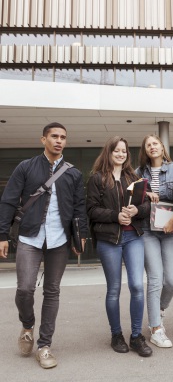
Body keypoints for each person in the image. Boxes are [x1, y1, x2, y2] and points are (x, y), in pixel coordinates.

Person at [0, 122, 87, 369]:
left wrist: (80, 236)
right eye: (54, 136)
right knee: (25, 289)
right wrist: (2, 234)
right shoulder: (26, 167)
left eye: (63, 137)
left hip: (59, 240)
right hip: (30, 236)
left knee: (52, 291)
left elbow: (80, 207)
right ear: (43, 140)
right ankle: (27, 324)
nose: (59, 140)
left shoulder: (73, 173)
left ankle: (44, 345)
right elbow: (8, 201)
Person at [86, 136, 152, 357]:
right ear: (109, 152)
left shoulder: (134, 177)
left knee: (136, 286)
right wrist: (116, 216)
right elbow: (92, 211)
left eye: (124, 151)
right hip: (109, 240)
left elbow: (146, 204)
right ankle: (116, 334)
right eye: (117, 150)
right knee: (114, 289)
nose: (121, 154)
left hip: (133, 237)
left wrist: (136, 212)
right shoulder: (97, 179)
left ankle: (136, 336)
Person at [135, 135, 173, 348]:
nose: (152, 147)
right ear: (145, 150)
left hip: (171, 229)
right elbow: (132, 198)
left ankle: (159, 309)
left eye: (155, 143)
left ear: (162, 147)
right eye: (148, 145)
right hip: (147, 231)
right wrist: (146, 194)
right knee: (155, 278)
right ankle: (156, 328)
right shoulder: (138, 173)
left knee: (172, 280)